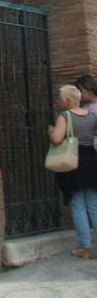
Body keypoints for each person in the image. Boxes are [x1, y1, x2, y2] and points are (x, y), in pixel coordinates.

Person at [48, 84, 97, 259]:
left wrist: (51, 132)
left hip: (73, 162)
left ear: (68, 100)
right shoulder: (92, 116)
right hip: (91, 160)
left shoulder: (65, 116)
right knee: (93, 205)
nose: (59, 102)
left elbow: (57, 139)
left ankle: (85, 247)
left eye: (60, 98)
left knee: (77, 205)